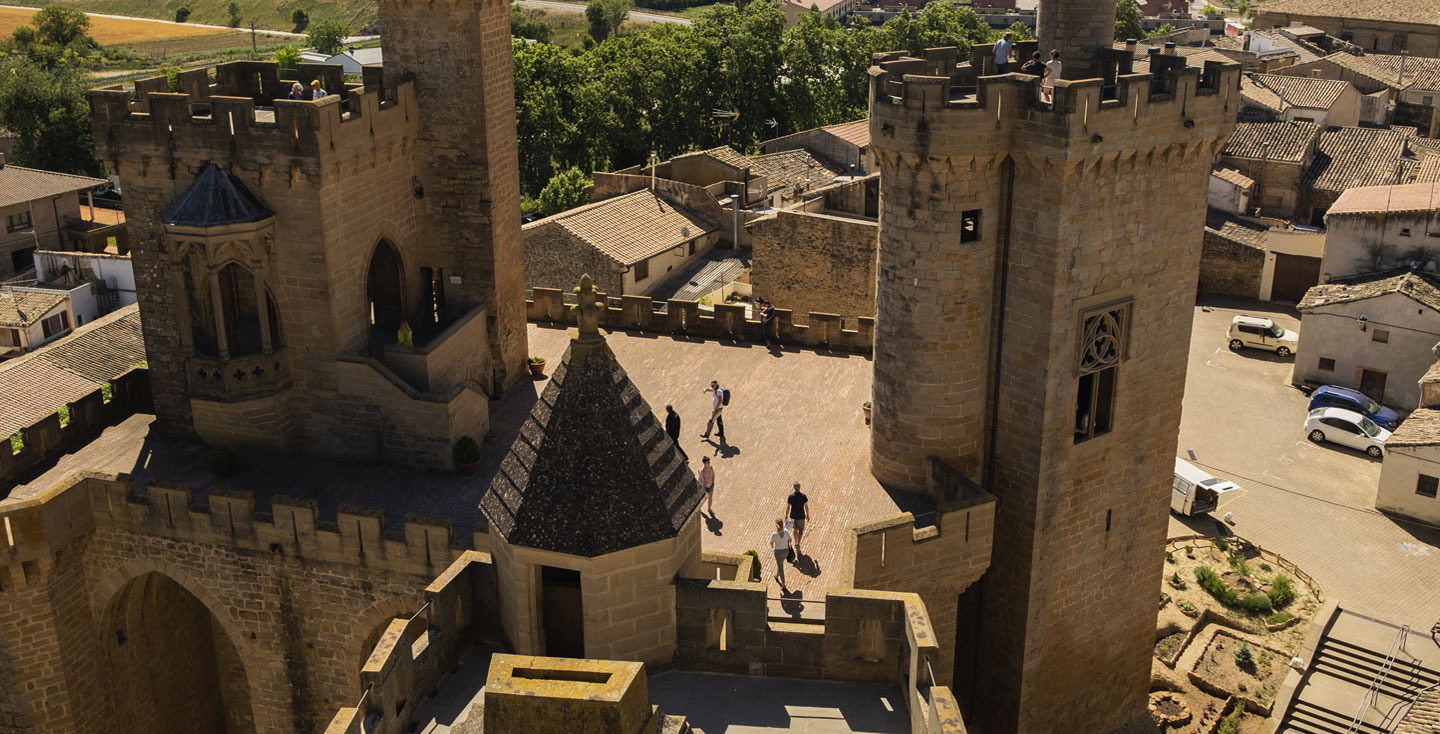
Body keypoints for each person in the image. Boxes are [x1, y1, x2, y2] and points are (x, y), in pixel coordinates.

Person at [785, 482, 810, 549]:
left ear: (794, 488)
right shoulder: (803, 496)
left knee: (794, 530)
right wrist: (808, 515)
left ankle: (795, 542)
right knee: (801, 530)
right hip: (801, 516)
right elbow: (806, 507)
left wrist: (786, 516)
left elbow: (788, 507)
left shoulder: (790, 496)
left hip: (792, 516)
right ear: (799, 487)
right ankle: (798, 543)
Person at [769, 518, 791, 588]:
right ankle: (777, 575)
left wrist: (773, 547)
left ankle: (783, 583)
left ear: (776, 525)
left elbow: (771, 543)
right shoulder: (786, 531)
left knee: (780, 567)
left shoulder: (774, 534)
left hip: (778, 553)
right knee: (780, 564)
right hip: (786, 552)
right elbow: (790, 540)